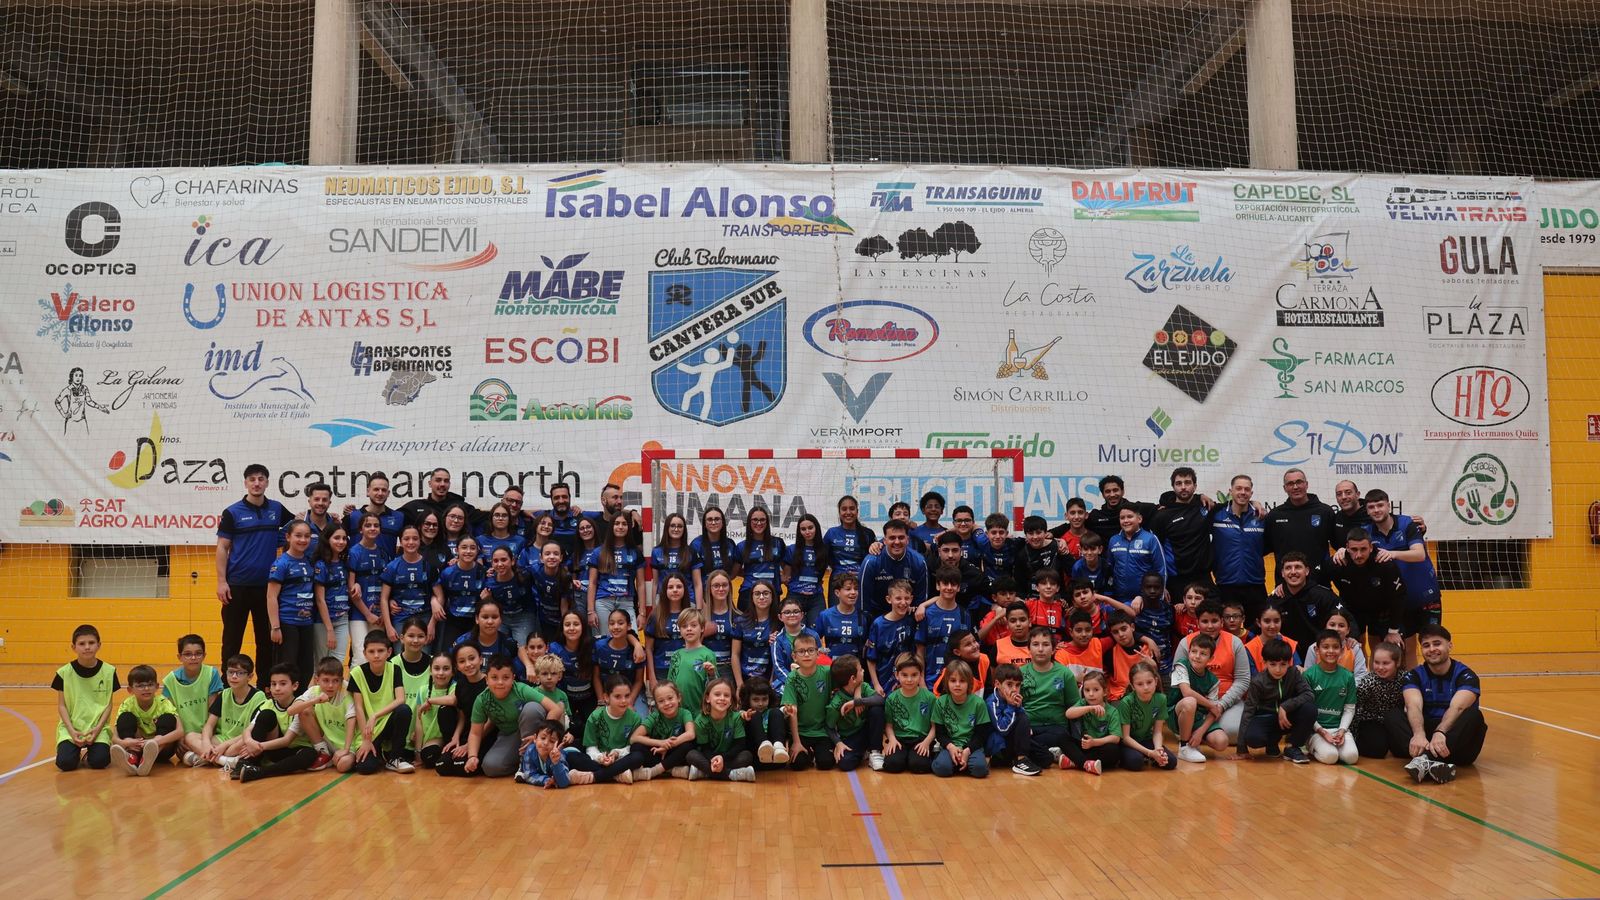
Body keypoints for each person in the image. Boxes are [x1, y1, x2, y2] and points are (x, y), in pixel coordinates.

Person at [1386, 624, 1487, 782]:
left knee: (1474, 716)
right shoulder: (1414, 675)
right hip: (1425, 737)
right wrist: (1419, 734)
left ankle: (1424, 760)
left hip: (1455, 741)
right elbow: (1414, 705)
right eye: (1426, 645)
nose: (1432, 649)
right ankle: (1435, 764)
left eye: (1437, 643)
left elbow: (1458, 707)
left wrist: (1441, 732)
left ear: (1450, 645)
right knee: (1393, 715)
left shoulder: (1466, 675)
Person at [217, 463, 293, 666]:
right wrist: (221, 582)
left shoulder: (276, 508)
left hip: (267, 589)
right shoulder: (232, 512)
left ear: (267, 482)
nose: (256, 483)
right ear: (246, 483)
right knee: (232, 640)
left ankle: (266, 686)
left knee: (266, 640)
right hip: (237, 587)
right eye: (252, 479)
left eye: (261, 479)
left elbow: (296, 529)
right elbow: (222, 547)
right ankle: (228, 684)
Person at [1362, 489, 1442, 667]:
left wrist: (1392, 553)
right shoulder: (1366, 532)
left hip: (1425, 596)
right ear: (1366, 511)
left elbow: (1419, 554)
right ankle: (1410, 690)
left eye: (1380, 505)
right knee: (1405, 649)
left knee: (1433, 645)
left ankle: (1433, 688)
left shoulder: (1407, 523)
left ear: (1388, 506)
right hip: (1397, 601)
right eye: (1371, 507)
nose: (1376, 510)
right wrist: (1343, 551)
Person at [465, 654, 563, 778]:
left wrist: (541, 736)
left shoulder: (521, 689)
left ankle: (528, 764)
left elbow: (555, 709)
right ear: (486, 680)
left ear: (513, 679)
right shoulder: (482, 700)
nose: (500, 682)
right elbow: (475, 733)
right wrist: (472, 756)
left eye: (505, 677)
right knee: (490, 767)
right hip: (509, 736)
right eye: (494, 677)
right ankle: (526, 762)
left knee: (532, 708)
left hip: (533, 732)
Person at [1171, 599, 1251, 743]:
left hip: (1226, 701)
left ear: (1222, 622)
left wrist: (1221, 705)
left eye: (1214, 621)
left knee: (1235, 732)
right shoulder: (1186, 643)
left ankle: (1202, 733)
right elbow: (1177, 678)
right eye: (1204, 621)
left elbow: (1243, 680)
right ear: (1197, 622)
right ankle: (1201, 731)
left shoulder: (1235, 643)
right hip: (1192, 703)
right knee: (1189, 717)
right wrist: (1208, 706)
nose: (1210, 626)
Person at [1320, 529, 1407, 658]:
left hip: (1382, 611)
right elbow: (1321, 584)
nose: (1358, 555)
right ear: (1347, 547)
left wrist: (1393, 630)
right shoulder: (1338, 562)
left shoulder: (1385, 564)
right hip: (1353, 611)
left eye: (1363, 549)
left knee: (1388, 651)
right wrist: (1336, 603)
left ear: (1371, 547)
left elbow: (1399, 597)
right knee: (1354, 647)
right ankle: (1360, 677)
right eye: (1354, 550)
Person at [232, 663, 318, 783]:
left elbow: (287, 740)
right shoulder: (268, 704)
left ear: (295, 685)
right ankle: (246, 763)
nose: (277, 688)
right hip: (271, 749)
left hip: (293, 750)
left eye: (283, 684)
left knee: (310, 754)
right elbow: (248, 730)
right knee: (267, 715)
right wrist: (250, 742)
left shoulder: (298, 705)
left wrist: (259, 747)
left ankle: (259, 772)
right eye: (273, 684)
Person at [1237, 638, 1316, 764]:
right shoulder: (1258, 682)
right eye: (1273, 664)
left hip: (1287, 718)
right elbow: (1248, 711)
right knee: (1253, 738)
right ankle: (1271, 742)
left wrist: (1285, 707)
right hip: (1266, 718)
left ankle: (1292, 747)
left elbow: (1309, 694)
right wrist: (1241, 748)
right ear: (1265, 663)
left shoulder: (1294, 674)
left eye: (1283, 664)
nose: (1278, 670)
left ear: (1289, 662)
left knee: (1310, 709)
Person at [347, 631, 415, 775]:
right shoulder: (356, 673)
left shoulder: (394, 669)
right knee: (365, 768)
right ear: (365, 653)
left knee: (404, 710)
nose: (376, 655)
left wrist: (375, 716)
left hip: (387, 722)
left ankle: (395, 758)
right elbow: (358, 707)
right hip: (368, 730)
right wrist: (366, 740)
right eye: (371, 651)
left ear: (389, 652)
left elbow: (400, 699)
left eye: (380, 651)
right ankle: (379, 752)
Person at [54, 624, 117, 772]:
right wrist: (71, 730)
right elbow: (62, 705)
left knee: (100, 761)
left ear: (99, 645)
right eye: (82, 644)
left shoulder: (109, 671)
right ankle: (71, 752)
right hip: (71, 728)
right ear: (73, 647)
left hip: (98, 728)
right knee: (65, 763)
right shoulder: (63, 673)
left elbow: (108, 705)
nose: (87, 647)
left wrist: (97, 729)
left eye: (91, 643)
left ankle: (89, 755)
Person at [1020, 626, 1080, 772]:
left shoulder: (1065, 673)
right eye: (1035, 644)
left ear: (1053, 650)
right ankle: (1047, 753)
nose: (1040, 649)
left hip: (1056, 728)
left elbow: (1074, 705)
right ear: (1029, 649)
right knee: (1019, 735)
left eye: (1046, 644)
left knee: (1061, 736)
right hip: (1030, 728)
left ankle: (1029, 751)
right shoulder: (1020, 673)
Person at [192, 654, 268, 769]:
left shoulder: (259, 697)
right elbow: (209, 725)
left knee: (242, 744)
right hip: (223, 738)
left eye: (240, 673)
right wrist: (207, 744)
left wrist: (225, 745)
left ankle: (205, 758)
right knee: (190, 736)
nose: (234, 676)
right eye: (230, 672)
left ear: (250, 676)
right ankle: (223, 760)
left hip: (241, 739)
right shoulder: (225, 694)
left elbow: (253, 730)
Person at [1262, 468, 1338, 583]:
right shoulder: (1274, 515)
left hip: (1319, 581)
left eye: (1299, 482)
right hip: (1285, 585)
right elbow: (1263, 547)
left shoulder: (1325, 512)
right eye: (1290, 483)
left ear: (1306, 484)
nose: (1295, 487)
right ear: (1285, 488)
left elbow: (1338, 542)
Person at [1149, 467, 1214, 600]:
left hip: (1204, 578)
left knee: (1209, 618)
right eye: (1179, 483)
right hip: (1176, 581)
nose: (1183, 487)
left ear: (1195, 486)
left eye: (1187, 482)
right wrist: (1161, 583)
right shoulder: (1161, 516)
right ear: (1173, 487)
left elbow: (1234, 507)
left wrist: (1254, 503)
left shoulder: (1205, 507)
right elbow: (1155, 552)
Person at [1209, 475, 1268, 621]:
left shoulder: (1261, 517)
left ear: (1251, 494)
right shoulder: (1216, 515)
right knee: (1227, 632)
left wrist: (1256, 504)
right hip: (1225, 585)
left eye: (1247, 489)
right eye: (1238, 488)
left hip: (1255, 585)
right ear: (1230, 491)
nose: (1243, 492)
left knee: (1257, 630)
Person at [267, 521, 318, 686]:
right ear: (288, 537)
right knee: (287, 668)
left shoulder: (310, 562)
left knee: (307, 667)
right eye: (298, 535)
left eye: (306, 536)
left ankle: (300, 704)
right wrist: (275, 627)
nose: (303, 540)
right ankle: (284, 706)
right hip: (287, 623)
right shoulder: (281, 564)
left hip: (307, 622)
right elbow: (271, 597)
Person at [289, 656, 359, 774]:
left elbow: (351, 720)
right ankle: (323, 752)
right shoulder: (314, 691)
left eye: (335, 681)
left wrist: (346, 749)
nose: (330, 685)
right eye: (326, 680)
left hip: (346, 742)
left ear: (341, 681)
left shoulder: (347, 691)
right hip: (327, 740)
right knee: (304, 710)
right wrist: (314, 701)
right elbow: (291, 711)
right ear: (317, 680)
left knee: (342, 766)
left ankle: (343, 757)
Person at [110, 665, 183, 775]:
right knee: (125, 717)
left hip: (162, 749)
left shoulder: (163, 702)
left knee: (168, 718)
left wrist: (155, 742)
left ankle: (149, 755)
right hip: (137, 746)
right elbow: (114, 736)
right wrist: (125, 742)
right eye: (140, 686)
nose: (146, 689)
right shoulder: (127, 704)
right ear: (130, 689)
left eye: (150, 685)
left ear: (157, 686)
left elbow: (180, 731)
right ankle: (132, 757)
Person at [577, 675, 651, 783]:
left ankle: (597, 776)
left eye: (627, 696)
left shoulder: (635, 718)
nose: (624, 701)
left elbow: (632, 747)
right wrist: (600, 758)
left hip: (623, 759)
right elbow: (591, 747)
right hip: (600, 760)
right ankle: (617, 774)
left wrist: (617, 753)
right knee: (573, 757)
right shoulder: (595, 717)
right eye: (618, 696)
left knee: (638, 757)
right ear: (606, 697)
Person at [1168, 633, 1228, 763]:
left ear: (1211, 658)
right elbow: (1186, 692)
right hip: (1175, 713)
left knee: (1222, 742)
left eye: (1203, 653)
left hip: (1199, 717)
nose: (1197, 656)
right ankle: (1184, 746)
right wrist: (1211, 705)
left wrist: (1201, 731)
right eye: (1194, 651)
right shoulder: (1181, 665)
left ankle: (1194, 739)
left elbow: (1214, 712)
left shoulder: (1213, 680)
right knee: (1190, 702)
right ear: (1189, 652)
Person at [1304, 629, 1360, 766]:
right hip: (1317, 730)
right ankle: (1311, 744)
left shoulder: (1347, 676)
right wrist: (1321, 732)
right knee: (1330, 757)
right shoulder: (1309, 675)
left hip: (1339, 728)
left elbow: (1349, 708)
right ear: (1317, 650)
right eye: (1325, 647)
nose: (1331, 651)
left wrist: (1342, 730)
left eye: (1335, 647)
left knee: (1351, 757)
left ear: (1341, 651)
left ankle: (1335, 744)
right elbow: (1305, 710)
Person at [780, 634, 834, 771]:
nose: (806, 655)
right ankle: (808, 753)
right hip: (801, 732)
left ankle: (816, 753)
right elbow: (792, 712)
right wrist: (796, 742)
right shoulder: (792, 678)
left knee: (826, 763)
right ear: (794, 656)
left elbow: (855, 675)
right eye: (801, 651)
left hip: (822, 731)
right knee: (797, 764)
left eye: (811, 650)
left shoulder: (828, 672)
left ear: (818, 653)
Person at [825, 655, 886, 772]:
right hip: (851, 736)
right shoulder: (836, 704)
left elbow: (881, 700)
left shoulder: (863, 687)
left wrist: (857, 702)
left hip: (868, 731)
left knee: (877, 710)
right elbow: (829, 727)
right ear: (853, 679)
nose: (863, 671)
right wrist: (838, 743)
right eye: (861, 670)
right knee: (845, 763)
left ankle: (875, 752)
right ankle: (862, 752)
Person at [930, 659, 990, 778]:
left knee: (980, 769)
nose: (957, 684)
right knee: (942, 769)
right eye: (953, 680)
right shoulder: (941, 702)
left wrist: (967, 750)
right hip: (949, 746)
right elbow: (940, 733)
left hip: (972, 747)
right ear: (947, 682)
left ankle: (961, 762)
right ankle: (953, 761)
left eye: (962, 681)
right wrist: (951, 747)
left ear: (969, 683)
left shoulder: (979, 703)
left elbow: (981, 734)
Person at [586, 514, 644, 637]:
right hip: (603, 601)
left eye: (624, 524)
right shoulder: (598, 552)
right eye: (617, 523)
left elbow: (641, 584)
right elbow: (592, 582)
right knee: (605, 640)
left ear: (629, 527)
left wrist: (642, 613)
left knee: (633, 639)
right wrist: (590, 611)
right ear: (611, 527)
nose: (620, 527)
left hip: (627, 601)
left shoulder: (635, 552)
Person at [162, 634, 222, 751]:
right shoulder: (170, 680)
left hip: (208, 735)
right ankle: (217, 758)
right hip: (182, 738)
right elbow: (172, 714)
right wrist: (180, 738)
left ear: (204, 655)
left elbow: (213, 711)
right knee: (185, 756)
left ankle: (206, 755)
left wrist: (206, 738)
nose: (193, 658)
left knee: (192, 756)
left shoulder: (211, 674)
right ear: (179, 657)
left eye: (198, 653)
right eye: (188, 654)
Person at [914, 568, 971, 690]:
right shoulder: (926, 614)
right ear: (937, 586)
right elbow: (920, 651)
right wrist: (921, 682)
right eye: (945, 583)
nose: (949, 588)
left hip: (956, 682)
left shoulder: (964, 614)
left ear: (959, 587)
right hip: (930, 681)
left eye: (953, 584)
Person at [881, 653, 937, 775]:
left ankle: (917, 756)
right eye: (904, 675)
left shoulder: (930, 698)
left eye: (914, 675)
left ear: (921, 675)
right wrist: (891, 740)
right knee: (892, 765)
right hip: (899, 739)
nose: (909, 680)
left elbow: (934, 727)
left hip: (921, 739)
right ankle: (905, 756)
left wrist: (926, 743)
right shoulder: (891, 698)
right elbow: (889, 725)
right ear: (897, 675)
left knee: (919, 766)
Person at [690, 678, 755, 781]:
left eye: (726, 695)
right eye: (717, 694)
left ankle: (705, 772)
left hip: (728, 756)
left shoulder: (736, 718)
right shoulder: (700, 721)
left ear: (731, 700)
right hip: (709, 757)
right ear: (707, 698)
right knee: (691, 755)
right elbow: (705, 748)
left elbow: (740, 745)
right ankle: (731, 774)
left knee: (747, 756)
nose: (722, 698)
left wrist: (722, 758)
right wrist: (714, 760)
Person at [381, 525, 436, 646]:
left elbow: (439, 595)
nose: (411, 542)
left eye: (415, 538)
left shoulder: (428, 565)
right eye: (406, 539)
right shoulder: (392, 566)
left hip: (424, 616)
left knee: (424, 657)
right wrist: (389, 626)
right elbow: (384, 598)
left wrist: (432, 623)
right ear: (400, 541)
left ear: (419, 540)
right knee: (400, 658)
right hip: (400, 617)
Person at [861, 520, 928, 620]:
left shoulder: (919, 562)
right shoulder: (871, 562)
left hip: (907, 616)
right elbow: (863, 603)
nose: (897, 542)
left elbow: (921, 602)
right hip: (877, 616)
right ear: (884, 540)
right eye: (892, 538)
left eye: (901, 538)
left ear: (907, 540)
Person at [631, 681, 697, 779]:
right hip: (658, 752)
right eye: (661, 701)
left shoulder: (684, 713)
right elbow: (633, 738)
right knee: (636, 747)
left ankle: (654, 771)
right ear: (656, 704)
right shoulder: (655, 716)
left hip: (675, 752)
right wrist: (661, 743)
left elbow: (691, 734)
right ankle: (671, 770)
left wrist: (668, 746)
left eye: (670, 698)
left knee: (689, 744)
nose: (667, 703)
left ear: (678, 698)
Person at [1117, 660, 1175, 771]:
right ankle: (1143, 756)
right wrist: (1149, 752)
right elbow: (1126, 738)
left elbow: (1157, 732)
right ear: (1133, 686)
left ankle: (1150, 756)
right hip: (1129, 743)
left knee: (1171, 762)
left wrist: (1158, 750)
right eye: (1140, 684)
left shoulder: (1161, 699)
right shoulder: (1126, 702)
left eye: (1149, 682)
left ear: (1156, 681)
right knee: (1136, 762)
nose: (1146, 687)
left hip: (1146, 740)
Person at [346, 513, 390, 657]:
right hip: (359, 613)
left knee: (378, 656)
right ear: (361, 530)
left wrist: (384, 612)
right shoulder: (354, 553)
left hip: (379, 614)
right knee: (360, 657)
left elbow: (388, 586)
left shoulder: (383, 553)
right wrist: (367, 614)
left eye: (376, 525)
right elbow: (351, 588)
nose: (372, 528)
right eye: (368, 525)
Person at [1275, 551, 1338, 649]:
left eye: (1298, 567)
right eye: (1288, 568)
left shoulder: (1324, 597)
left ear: (1307, 571)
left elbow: (1345, 619)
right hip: (1286, 657)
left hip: (1319, 654)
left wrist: (1352, 637)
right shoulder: (1275, 599)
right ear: (1282, 573)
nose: (1293, 572)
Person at [1062, 671, 1121, 775]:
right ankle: (1086, 764)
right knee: (1062, 738)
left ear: (1105, 692)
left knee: (1114, 750)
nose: (1091, 694)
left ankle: (1075, 762)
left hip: (1099, 747)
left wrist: (1094, 742)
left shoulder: (1112, 711)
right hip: (1083, 745)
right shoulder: (1083, 703)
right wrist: (1090, 708)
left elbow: (1115, 738)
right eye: (1087, 690)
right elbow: (1068, 713)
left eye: (1096, 690)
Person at [433, 536, 486, 651]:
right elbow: (438, 593)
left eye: (472, 548)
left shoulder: (483, 572)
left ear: (477, 551)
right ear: (457, 550)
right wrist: (434, 601)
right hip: (453, 620)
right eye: (464, 547)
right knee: (448, 654)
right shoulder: (447, 573)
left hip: (475, 622)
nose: (468, 551)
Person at [864, 580, 917, 694]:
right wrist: (876, 684)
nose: (903, 603)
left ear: (911, 599)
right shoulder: (878, 624)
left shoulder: (912, 619)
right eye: (898, 598)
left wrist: (922, 606)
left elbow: (938, 599)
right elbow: (871, 658)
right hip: (884, 682)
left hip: (907, 682)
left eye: (907, 598)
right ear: (889, 599)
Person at [313, 524, 355, 665]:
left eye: (344, 538)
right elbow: (320, 599)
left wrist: (357, 585)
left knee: (337, 663)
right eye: (336, 538)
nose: (341, 541)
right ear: (327, 540)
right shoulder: (321, 565)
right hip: (323, 622)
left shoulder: (345, 562)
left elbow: (350, 587)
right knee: (321, 663)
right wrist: (329, 629)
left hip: (342, 618)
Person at [1355, 642, 1405, 758]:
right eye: (1376, 663)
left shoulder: (1405, 679)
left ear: (1397, 663)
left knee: (1402, 751)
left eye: (1386, 663)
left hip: (1394, 721)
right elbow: (1356, 709)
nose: (1380, 667)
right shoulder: (1367, 683)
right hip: (1372, 720)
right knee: (1377, 750)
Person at [1107, 506, 1165, 606]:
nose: (1126, 521)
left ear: (1139, 519)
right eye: (1122, 518)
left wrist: (1159, 594)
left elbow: (1161, 570)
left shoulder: (1151, 539)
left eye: (1129, 517)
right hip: (1119, 599)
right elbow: (1110, 569)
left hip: (1145, 599)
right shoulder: (1113, 540)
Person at [666, 608, 718, 717]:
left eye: (694, 625)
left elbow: (714, 687)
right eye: (684, 626)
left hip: (700, 712)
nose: (689, 629)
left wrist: (711, 674)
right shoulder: (676, 655)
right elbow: (670, 684)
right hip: (678, 712)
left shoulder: (708, 654)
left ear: (702, 628)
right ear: (679, 630)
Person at [646, 573, 690, 696]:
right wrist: (652, 677)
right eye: (670, 587)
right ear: (664, 591)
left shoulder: (690, 614)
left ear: (685, 590)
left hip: (685, 670)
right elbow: (648, 649)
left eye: (679, 587)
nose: (675, 590)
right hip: (661, 670)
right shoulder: (655, 615)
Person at [931, 531, 990, 621]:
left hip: (965, 620)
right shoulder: (929, 568)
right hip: (934, 619)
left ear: (961, 551)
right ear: (939, 551)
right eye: (946, 550)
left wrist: (995, 606)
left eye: (955, 550)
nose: (950, 555)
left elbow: (990, 596)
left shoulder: (974, 574)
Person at [985, 664, 1033, 774]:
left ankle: (1021, 759)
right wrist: (1011, 706)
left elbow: (1021, 722)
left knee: (1045, 758)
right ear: (997, 684)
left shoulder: (1014, 698)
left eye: (1017, 685)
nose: (1014, 689)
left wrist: (1018, 707)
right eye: (1009, 685)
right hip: (998, 744)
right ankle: (1020, 761)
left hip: (1012, 739)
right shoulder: (991, 702)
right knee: (1023, 718)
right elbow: (1002, 729)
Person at [595, 609, 645, 715]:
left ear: (629, 626)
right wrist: (600, 701)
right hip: (607, 694)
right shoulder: (599, 646)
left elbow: (639, 681)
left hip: (631, 693)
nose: (616, 627)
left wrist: (629, 702)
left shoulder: (637, 651)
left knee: (640, 719)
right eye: (612, 623)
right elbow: (596, 677)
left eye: (620, 623)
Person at [515, 721, 594, 788]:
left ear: (559, 745)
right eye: (543, 738)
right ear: (535, 738)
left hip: (574, 753)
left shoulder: (559, 755)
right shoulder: (530, 751)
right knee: (524, 764)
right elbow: (529, 775)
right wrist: (547, 780)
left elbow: (563, 783)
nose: (545, 743)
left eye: (552, 741)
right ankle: (521, 769)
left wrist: (556, 763)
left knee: (588, 764)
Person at [785, 514, 830, 625]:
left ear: (816, 528)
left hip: (816, 598)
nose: (807, 531)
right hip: (795, 596)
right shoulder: (791, 549)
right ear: (799, 531)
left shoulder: (825, 550)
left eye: (810, 528)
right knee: (797, 632)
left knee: (815, 632)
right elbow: (786, 576)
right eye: (803, 529)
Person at [342, 471, 405, 550]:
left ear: (388, 493)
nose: (380, 493)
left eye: (384, 490)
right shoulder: (352, 517)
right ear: (368, 491)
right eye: (376, 489)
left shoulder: (399, 517)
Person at [1085, 476, 1159, 542]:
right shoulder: (1096, 516)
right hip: (1107, 556)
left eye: (1115, 490)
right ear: (1103, 495)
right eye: (1107, 491)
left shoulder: (1137, 509)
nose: (1112, 494)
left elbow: (1163, 509)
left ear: (1123, 491)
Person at [769, 596, 817, 695]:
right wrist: (794, 682)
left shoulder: (813, 635)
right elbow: (778, 667)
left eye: (796, 612)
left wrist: (808, 681)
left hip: (811, 680)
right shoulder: (777, 639)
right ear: (780, 617)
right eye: (787, 612)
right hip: (786, 682)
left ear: (802, 615)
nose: (792, 615)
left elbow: (819, 660)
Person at [651, 513, 699, 608]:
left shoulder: (691, 551)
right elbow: (655, 583)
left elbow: (697, 583)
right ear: (667, 528)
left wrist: (699, 608)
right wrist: (654, 606)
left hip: (688, 600)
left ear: (684, 529)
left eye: (680, 526)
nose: (676, 529)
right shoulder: (657, 552)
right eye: (672, 526)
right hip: (663, 601)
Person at [824, 496, 877, 582]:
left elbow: (874, 560)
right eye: (844, 509)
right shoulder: (831, 533)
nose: (848, 512)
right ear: (839, 512)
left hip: (861, 580)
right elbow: (823, 557)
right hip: (837, 581)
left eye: (852, 508)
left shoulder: (868, 533)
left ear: (857, 511)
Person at [1013, 516, 1068, 595]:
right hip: (1033, 599)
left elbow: (1071, 571)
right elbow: (1020, 585)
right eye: (1031, 533)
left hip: (1057, 598)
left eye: (1038, 533)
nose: (1035, 537)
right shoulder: (1022, 555)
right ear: (1025, 535)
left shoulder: (1058, 546)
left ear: (1045, 532)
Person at [817, 572, 866, 660]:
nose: (853, 592)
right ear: (837, 592)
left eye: (856, 589)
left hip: (856, 667)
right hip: (832, 668)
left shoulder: (864, 617)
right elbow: (812, 641)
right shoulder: (825, 615)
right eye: (848, 589)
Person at [399, 467, 468, 528]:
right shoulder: (415, 506)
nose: (442, 484)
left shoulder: (459, 507)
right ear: (430, 483)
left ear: (449, 484)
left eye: (446, 481)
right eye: (438, 480)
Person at [1244, 605, 1301, 673]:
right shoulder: (1250, 649)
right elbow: (1252, 679)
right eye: (1267, 621)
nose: (1272, 626)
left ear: (1281, 621)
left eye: (1276, 621)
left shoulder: (1290, 644)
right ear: (1258, 622)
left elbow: (1297, 671)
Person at [986, 600, 1035, 666]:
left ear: (1029, 622)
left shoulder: (1041, 644)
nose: (1018, 624)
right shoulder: (998, 646)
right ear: (1007, 625)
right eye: (1013, 621)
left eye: (1022, 620)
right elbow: (993, 675)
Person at [296, 482, 337, 558]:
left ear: (329, 503)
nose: (320, 503)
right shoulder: (296, 524)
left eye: (324, 500)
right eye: (316, 499)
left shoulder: (336, 525)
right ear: (309, 502)